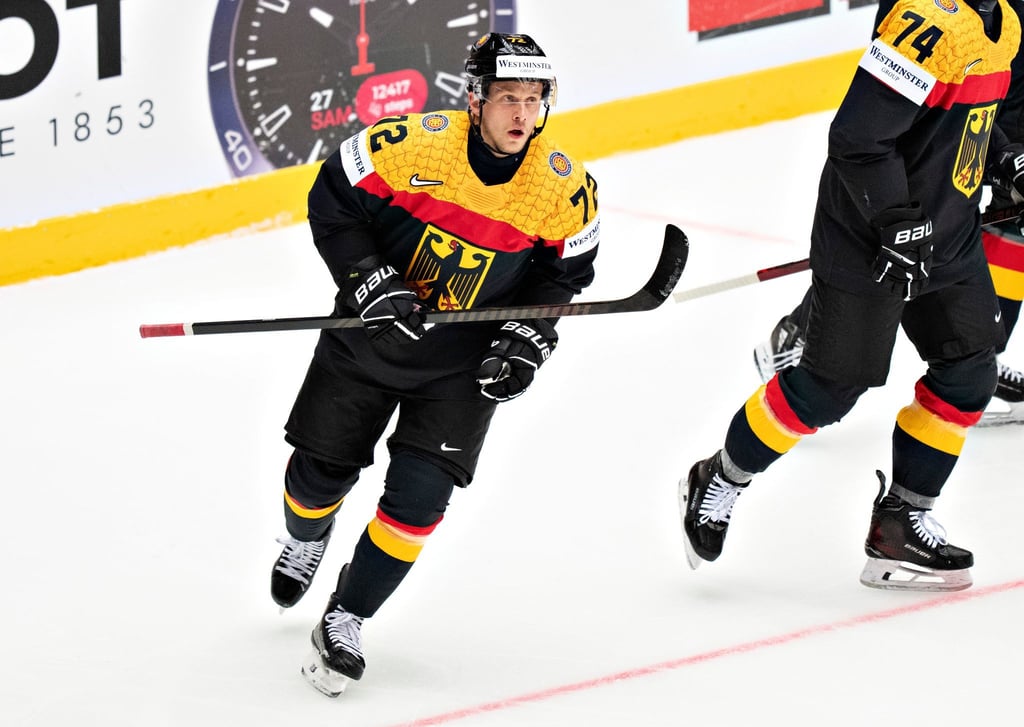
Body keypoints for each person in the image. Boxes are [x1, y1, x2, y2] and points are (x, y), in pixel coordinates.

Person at [270, 32, 600, 697]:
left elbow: (562, 276)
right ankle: (309, 532)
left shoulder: (562, 189)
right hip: (368, 343)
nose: (521, 115)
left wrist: (526, 338)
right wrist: (368, 279)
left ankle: (346, 616)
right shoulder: (410, 147)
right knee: (314, 482)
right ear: (475, 99)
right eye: (508, 97)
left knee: (419, 502)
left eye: (533, 100)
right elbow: (332, 198)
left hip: (460, 370)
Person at [680, 0, 1021, 592]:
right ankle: (722, 476)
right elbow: (858, 137)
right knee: (830, 389)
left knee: (969, 372)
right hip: (868, 235)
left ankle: (901, 523)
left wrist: (1008, 161)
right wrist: (896, 221)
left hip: (949, 230)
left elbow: (965, 124)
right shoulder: (926, 23)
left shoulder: (1005, 23)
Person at [755, 0, 1024, 428]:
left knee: (991, 180)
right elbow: (863, 136)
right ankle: (812, 326)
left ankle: (982, 355)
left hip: (993, 38)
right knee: (911, 174)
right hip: (948, 32)